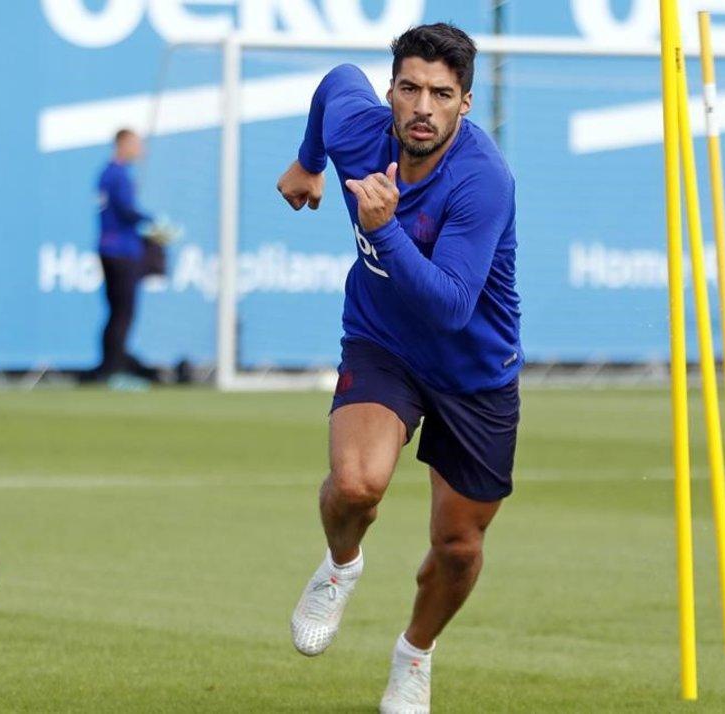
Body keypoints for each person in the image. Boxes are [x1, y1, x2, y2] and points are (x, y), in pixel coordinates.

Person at [277, 24, 521, 714]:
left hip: (474, 369)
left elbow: (449, 306)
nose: (422, 106)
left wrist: (382, 228)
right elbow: (333, 85)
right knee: (356, 486)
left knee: (458, 547)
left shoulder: (483, 181)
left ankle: (414, 654)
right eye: (409, 88)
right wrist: (308, 162)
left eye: (441, 94)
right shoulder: (361, 129)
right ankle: (340, 567)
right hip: (383, 341)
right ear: (390, 91)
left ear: (464, 104)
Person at [95, 128, 155, 387]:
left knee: (115, 312)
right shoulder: (118, 176)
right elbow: (127, 211)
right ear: (123, 144)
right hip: (122, 251)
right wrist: (152, 222)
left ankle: (108, 367)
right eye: (136, 144)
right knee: (123, 313)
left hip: (109, 249)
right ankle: (115, 371)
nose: (140, 149)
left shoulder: (107, 173)